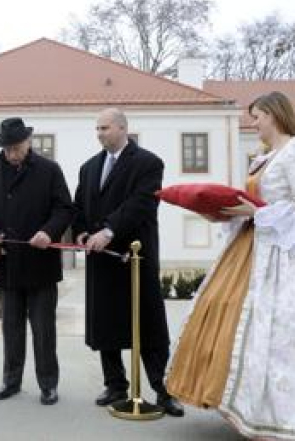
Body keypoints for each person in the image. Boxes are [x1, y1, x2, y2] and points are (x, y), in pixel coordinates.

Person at [165, 92, 295, 439]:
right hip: (250, 245)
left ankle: (287, 414)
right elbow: (253, 205)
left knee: (281, 327)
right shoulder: (263, 157)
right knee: (228, 311)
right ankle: (242, 404)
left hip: (286, 253)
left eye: (258, 116)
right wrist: (222, 213)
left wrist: (257, 212)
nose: (255, 123)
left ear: (275, 115)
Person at [72, 107, 183, 417]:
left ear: (122, 128)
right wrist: (81, 232)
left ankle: (164, 390)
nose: (100, 134)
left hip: (136, 258)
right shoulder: (89, 167)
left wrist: (109, 230)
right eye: (97, 129)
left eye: (105, 128)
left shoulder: (148, 163)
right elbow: (79, 205)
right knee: (106, 321)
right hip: (102, 260)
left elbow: (142, 204)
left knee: (147, 325)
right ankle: (115, 385)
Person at [0, 118, 74, 406]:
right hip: (7, 264)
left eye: (17, 147)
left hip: (41, 264)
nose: (12, 153)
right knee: (11, 329)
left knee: (44, 330)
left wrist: (48, 231)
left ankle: (48, 384)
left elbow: (65, 208)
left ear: (29, 142)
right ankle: (11, 381)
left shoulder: (49, 170)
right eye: (8, 148)